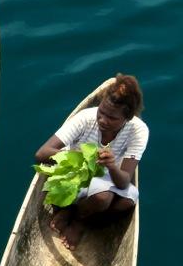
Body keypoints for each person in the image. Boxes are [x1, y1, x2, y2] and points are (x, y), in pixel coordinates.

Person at [36, 74, 147, 250]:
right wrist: (81, 157)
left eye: (111, 118)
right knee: (103, 197)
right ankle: (71, 212)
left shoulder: (138, 132)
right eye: (101, 112)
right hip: (73, 173)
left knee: (128, 201)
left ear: (128, 118)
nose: (103, 120)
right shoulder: (85, 118)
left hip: (106, 177)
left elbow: (125, 180)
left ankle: (79, 220)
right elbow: (42, 154)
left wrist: (111, 165)